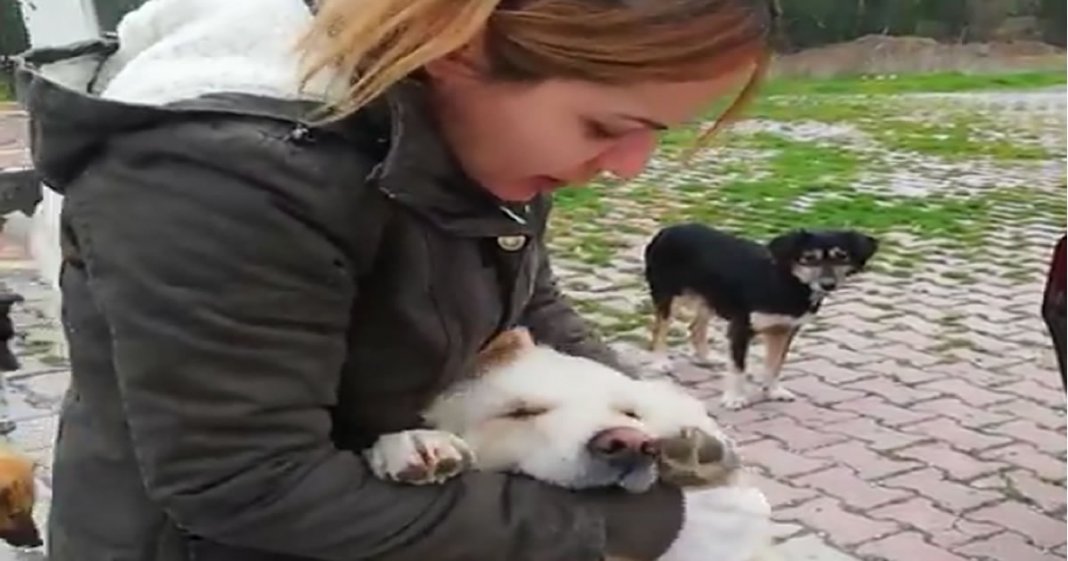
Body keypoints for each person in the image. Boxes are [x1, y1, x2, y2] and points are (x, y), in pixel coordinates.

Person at [15, 0, 774, 559]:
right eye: (606, 127)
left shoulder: (459, 129)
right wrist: (636, 529)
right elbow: (246, 482)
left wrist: (649, 422)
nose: (628, 166)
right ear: (460, 49)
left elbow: (526, 306)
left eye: (654, 133)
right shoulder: (225, 176)